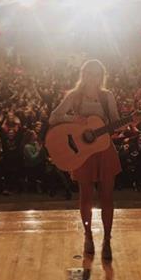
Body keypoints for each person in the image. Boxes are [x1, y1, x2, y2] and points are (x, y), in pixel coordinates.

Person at [48, 59, 122, 261]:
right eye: (89, 73)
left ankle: (107, 239)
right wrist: (75, 120)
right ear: (83, 74)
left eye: (97, 73)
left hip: (104, 149)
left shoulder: (107, 96)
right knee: (86, 197)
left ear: (101, 75)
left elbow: (115, 120)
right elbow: (54, 118)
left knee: (107, 197)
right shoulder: (74, 96)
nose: (93, 77)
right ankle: (88, 236)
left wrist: (123, 124)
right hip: (82, 153)